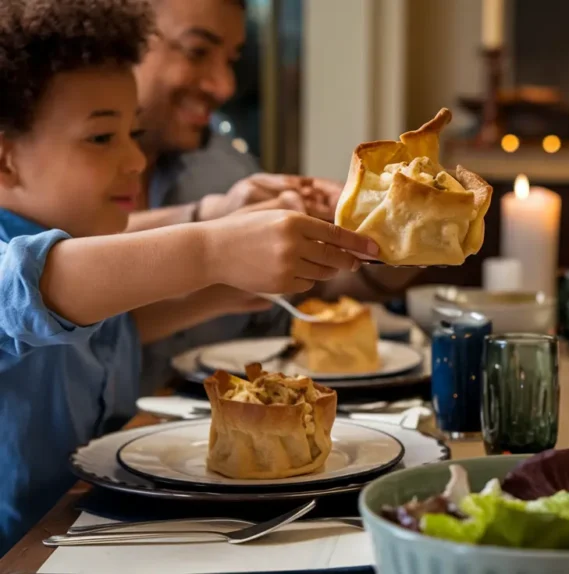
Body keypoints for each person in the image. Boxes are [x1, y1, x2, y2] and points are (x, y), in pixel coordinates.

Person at [0, 0, 377, 552]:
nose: (133, 161)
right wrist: (212, 251)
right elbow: (32, 288)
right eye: (102, 138)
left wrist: (232, 288)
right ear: (6, 159)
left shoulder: (89, 278)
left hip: (95, 541)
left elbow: (112, 325)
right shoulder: (39, 272)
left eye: (133, 134)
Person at [126, 0, 418, 393]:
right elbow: (42, 273)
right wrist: (213, 219)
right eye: (197, 51)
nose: (224, 86)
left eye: (230, 59)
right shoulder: (34, 176)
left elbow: (301, 298)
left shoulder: (223, 166)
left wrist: (396, 238)